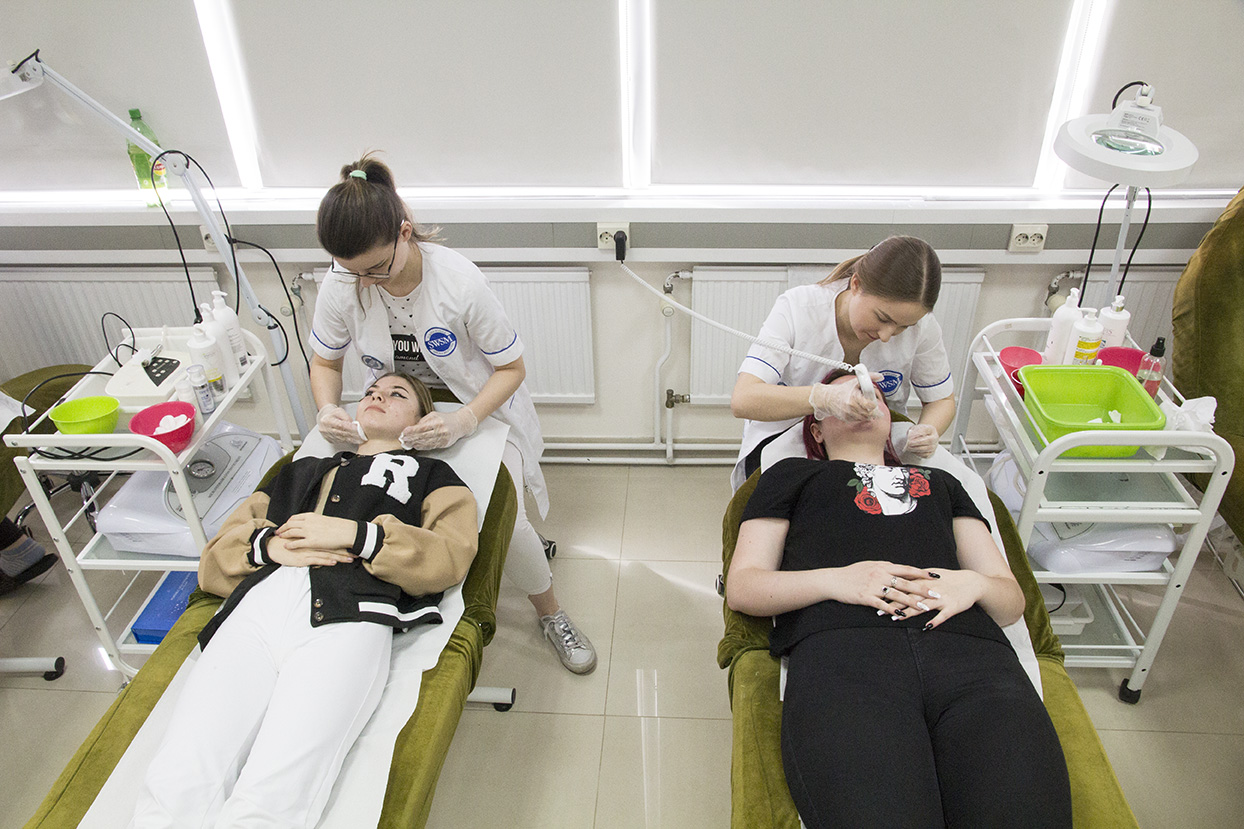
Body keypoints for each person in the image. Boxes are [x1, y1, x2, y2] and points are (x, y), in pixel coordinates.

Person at [129, 373, 478, 828]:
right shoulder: (298, 469)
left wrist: (358, 535)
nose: (378, 395)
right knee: (177, 777)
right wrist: (268, 546)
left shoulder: (433, 475)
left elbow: (451, 556)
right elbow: (215, 558)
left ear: (422, 420)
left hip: (348, 613)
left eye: (397, 394)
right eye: (371, 391)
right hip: (255, 611)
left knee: (274, 794)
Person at [725, 370, 1071, 828]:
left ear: (891, 422)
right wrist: (838, 581)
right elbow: (744, 587)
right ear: (816, 429)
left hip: (974, 660)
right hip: (846, 660)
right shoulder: (791, 475)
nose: (863, 402)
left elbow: (1010, 602)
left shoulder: (942, 483)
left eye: (874, 397)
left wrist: (975, 585)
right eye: (845, 397)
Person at [309, 154, 595, 674]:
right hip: (396, 408)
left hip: (475, 406)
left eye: (375, 268)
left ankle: (551, 613)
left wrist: (464, 421)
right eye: (352, 272)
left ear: (404, 232)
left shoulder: (459, 283)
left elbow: (511, 368)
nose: (364, 283)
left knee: (502, 515)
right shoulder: (343, 281)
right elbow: (325, 361)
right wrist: (328, 407)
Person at [729, 235, 956, 491]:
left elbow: (941, 400)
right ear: (856, 284)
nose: (886, 336)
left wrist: (928, 429)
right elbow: (744, 399)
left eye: (904, 326)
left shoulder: (923, 328)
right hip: (789, 441)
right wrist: (823, 398)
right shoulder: (798, 308)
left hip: (877, 448)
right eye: (882, 318)